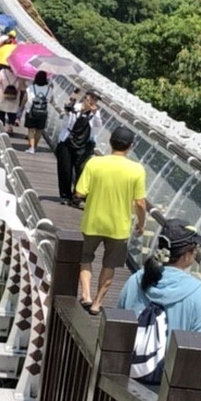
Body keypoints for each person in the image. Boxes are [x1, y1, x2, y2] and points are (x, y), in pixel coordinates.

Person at [75, 125, 147, 315]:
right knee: (110, 265)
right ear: (131, 146)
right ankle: (97, 303)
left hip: (92, 220)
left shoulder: (94, 163)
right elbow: (140, 203)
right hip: (119, 226)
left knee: (85, 258)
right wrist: (141, 224)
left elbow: (80, 192)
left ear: (110, 142)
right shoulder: (136, 170)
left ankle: (86, 294)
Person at [118, 218, 201, 335]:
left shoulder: (136, 280)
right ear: (186, 254)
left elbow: (118, 322)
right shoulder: (198, 293)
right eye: (195, 248)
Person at [55, 91, 101, 204]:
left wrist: (94, 113)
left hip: (83, 144)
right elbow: (65, 118)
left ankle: (77, 196)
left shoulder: (95, 112)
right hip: (67, 141)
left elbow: (98, 125)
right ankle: (65, 196)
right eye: (91, 98)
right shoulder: (75, 108)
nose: (93, 101)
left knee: (81, 170)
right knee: (65, 169)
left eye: (95, 100)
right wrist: (73, 106)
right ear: (85, 98)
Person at [0, 64, 26, 135]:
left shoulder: (3, 72)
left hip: (2, 95)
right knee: (12, 112)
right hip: (14, 97)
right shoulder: (20, 75)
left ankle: (1, 126)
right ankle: (10, 127)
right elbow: (23, 88)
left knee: (2, 111)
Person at [23, 71, 51, 154]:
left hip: (31, 111)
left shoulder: (31, 87)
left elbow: (26, 98)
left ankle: (31, 148)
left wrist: (21, 107)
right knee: (39, 130)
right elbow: (51, 100)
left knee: (31, 130)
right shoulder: (49, 89)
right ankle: (35, 146)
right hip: (43, 112)